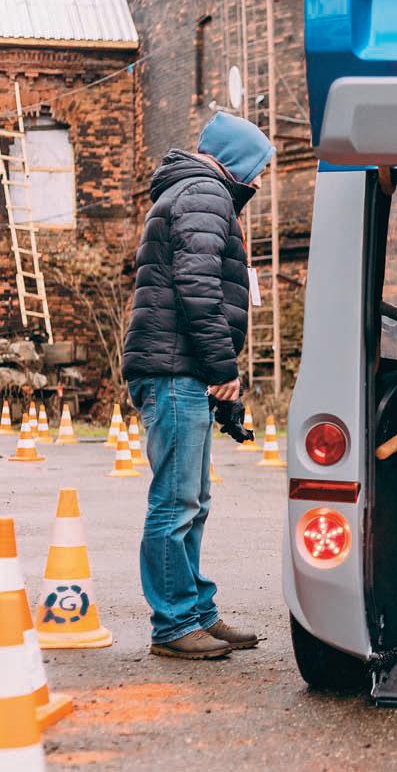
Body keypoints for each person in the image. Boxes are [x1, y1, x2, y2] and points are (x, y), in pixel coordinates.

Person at [123, 112, 274, 659]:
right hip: (175, 370)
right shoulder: (205, 195)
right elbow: (198, 288)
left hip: (178, 367)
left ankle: (196, 611)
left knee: (193, 500)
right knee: (176, 502)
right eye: (258, 167)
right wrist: (222, 368)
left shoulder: (196, 193)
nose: (259, 180)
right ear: (237, 161)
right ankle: (173, 624)